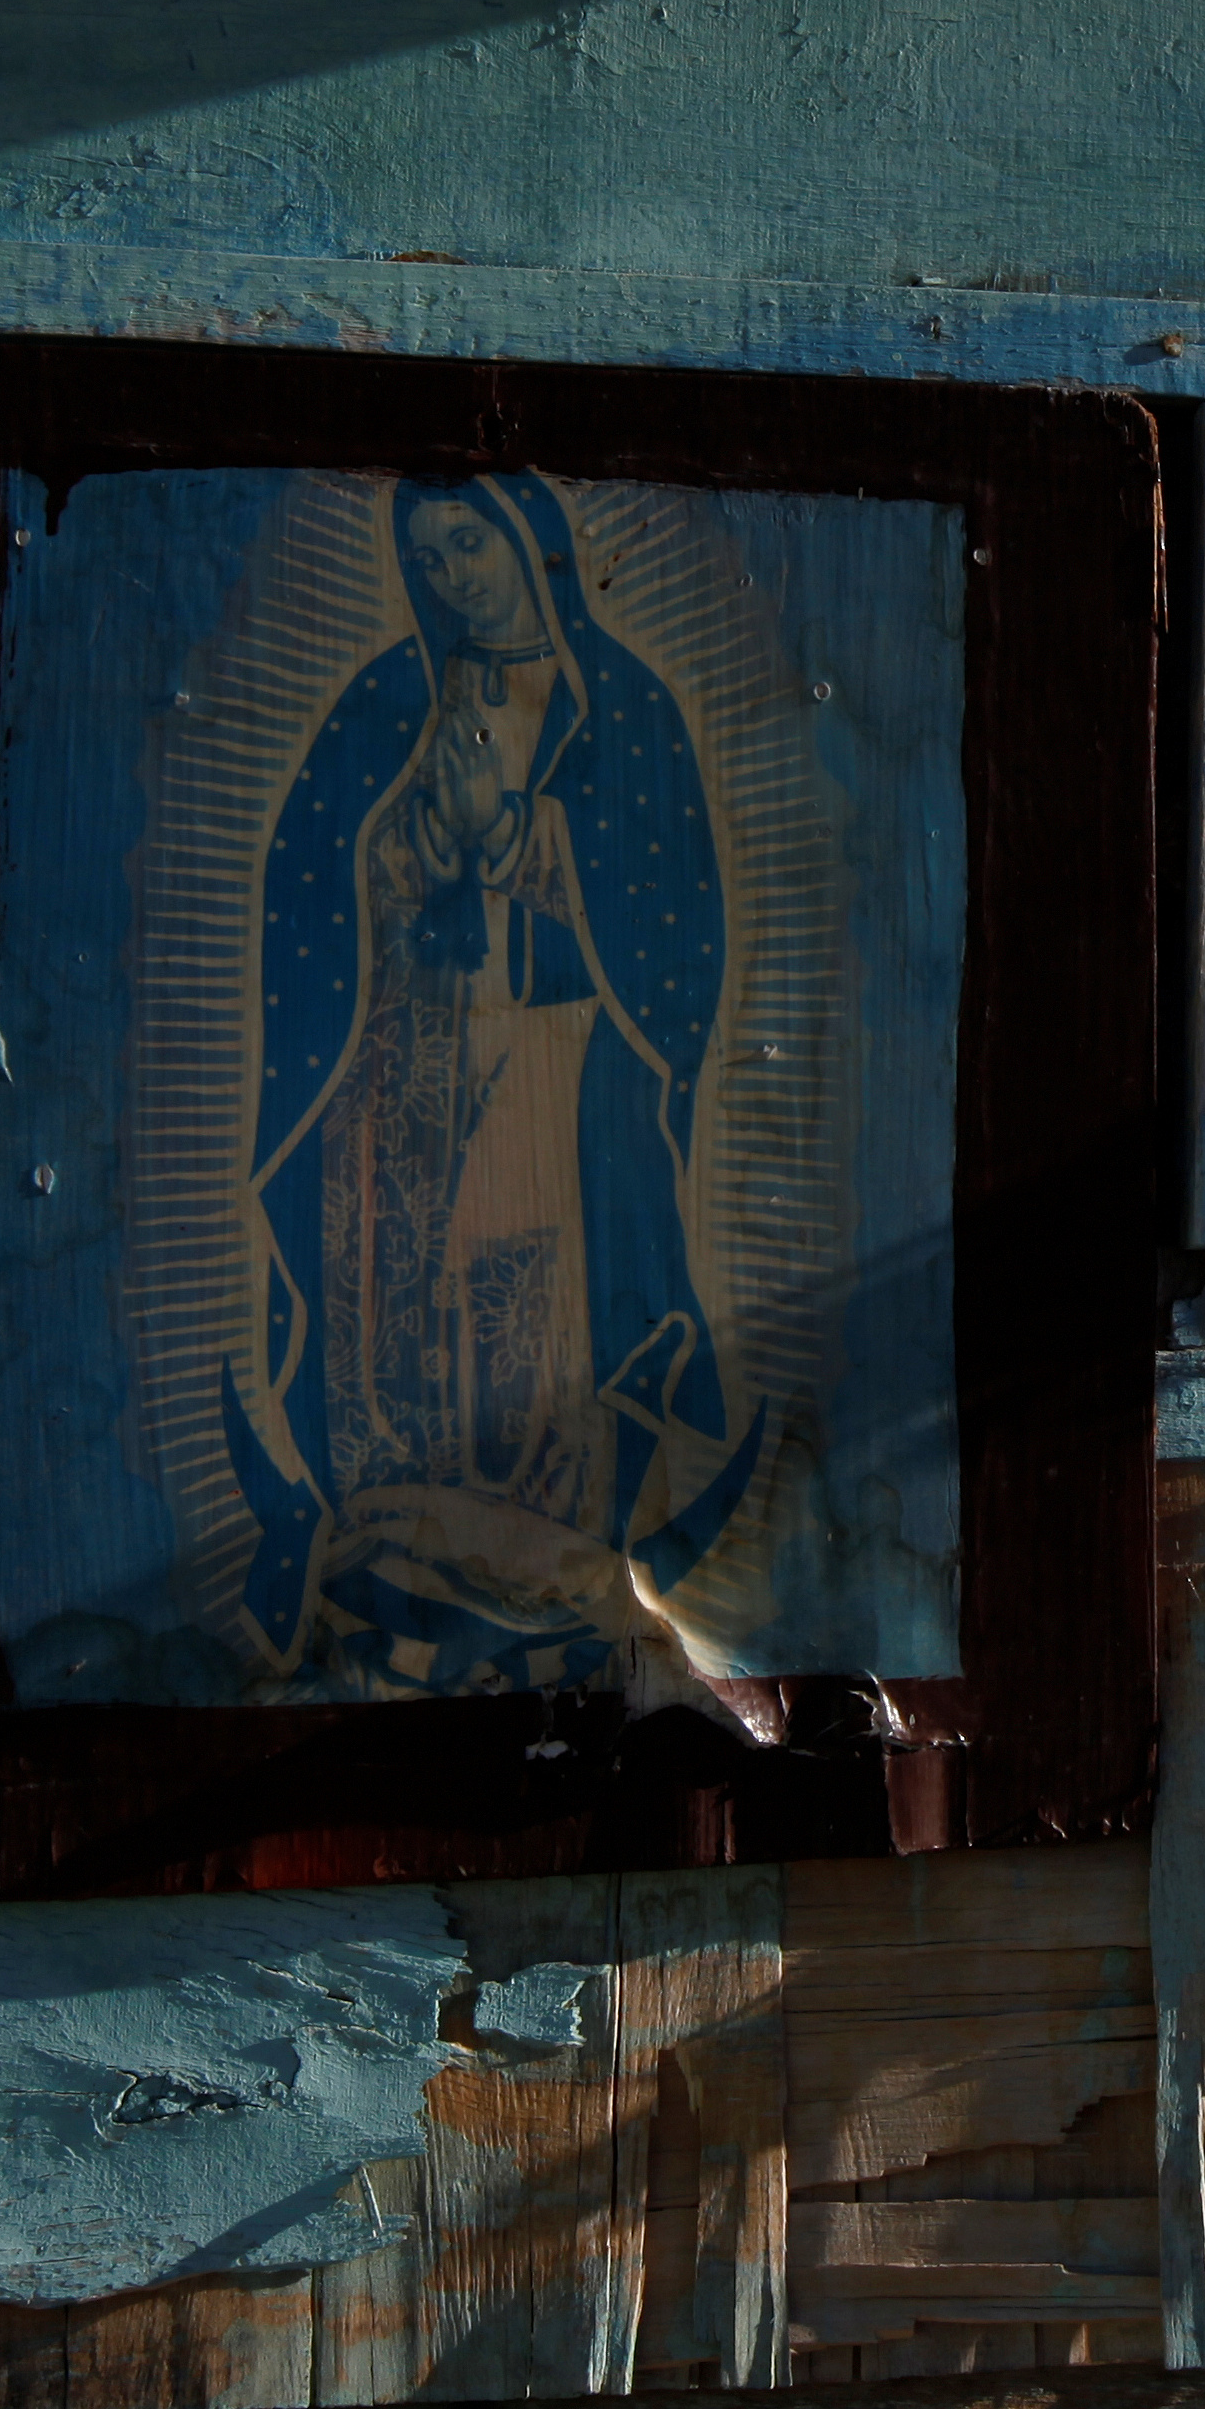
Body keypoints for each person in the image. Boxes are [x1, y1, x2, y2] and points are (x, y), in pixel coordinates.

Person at [215, 472, 766, 1690]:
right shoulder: (390, 702)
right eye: (430, 551)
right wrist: (423, 837)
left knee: (528, 1344)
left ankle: (542, 1618)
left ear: (535, 543)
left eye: (472, 539)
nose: (454, 570)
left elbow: (671, 927)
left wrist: (516, 836)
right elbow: (315, 885)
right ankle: (392, 1604)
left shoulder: (617, 707)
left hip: (552, 1068)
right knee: (399, 1339)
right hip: (396, 1073)